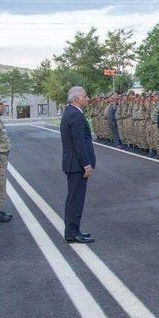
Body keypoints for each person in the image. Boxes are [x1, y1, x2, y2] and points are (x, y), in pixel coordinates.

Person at [60, 86, 96, 244]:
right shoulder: (75, 115)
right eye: (85, 96)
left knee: (73, 198)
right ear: (76, 99)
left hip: (73, 164)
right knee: (75, 200)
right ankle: (73, 232)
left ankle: (72, 231)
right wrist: (87, 164)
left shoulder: (71, 112)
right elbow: (79, 142)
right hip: (77, 165)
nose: (87, 99)